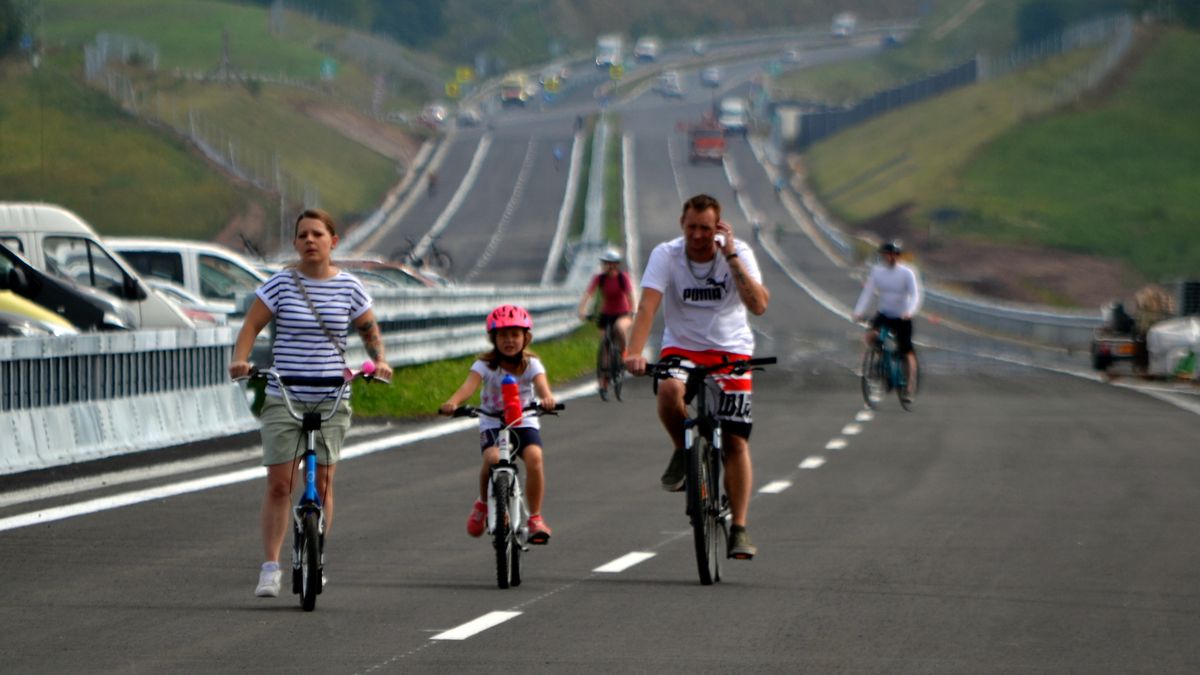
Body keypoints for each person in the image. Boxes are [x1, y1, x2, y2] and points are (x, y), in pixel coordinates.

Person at [229, 208, 394, 599]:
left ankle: (317, 555)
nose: (309, 240)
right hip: (285, 393)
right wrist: (241, 359)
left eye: (317, 234)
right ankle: (270, 567)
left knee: (322, 481)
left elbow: (368, 329)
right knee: (278, 484)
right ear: (296, 243)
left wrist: (381, 360)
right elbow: (252, 325)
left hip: (332, 394)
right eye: (302, 235)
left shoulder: (350, 287)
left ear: (333, 241)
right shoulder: (281, 285)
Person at [623, 194, 770, 559]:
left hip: (731, 351)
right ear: (681, 225)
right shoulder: (666, 255)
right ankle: (681, 450)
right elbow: (647, 306)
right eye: (692, 227)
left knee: (735, 442)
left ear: (718, 228)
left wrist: (731, 256)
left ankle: (738, 528)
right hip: (682, 348)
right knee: (669, 390)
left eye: (706, 228)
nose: (699, 235)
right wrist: (633, 352)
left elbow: (759, 305)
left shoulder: (738, 253)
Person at [439, 305, 557, 544]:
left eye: (515, 334)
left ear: (526, 337)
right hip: (493, 421)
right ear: (494, 339)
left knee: (534, 457)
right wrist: (452, 403)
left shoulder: (532, 364)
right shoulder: (484, 365)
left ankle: (534, 517)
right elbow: (467, 388)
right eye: (503, 335)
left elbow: (543, 387)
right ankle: (483, 503)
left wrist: (547, 399)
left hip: (523, 421)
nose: (509, 340)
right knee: (492, 458)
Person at [852, 240, 922, 402]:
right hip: (884, 313)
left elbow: (915, 295)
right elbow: (867, 293)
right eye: (885, 255)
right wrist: (858, 312)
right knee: (870, 336)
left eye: (892, 255)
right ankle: (880, 359)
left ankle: (909, 387)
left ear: (897, 256)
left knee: (906, 350)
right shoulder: (877, 272)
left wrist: (909, 312)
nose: (889, 258)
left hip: (902, 315)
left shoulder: (907, 272)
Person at [577, 247, 636, 400]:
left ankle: (623, 353)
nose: (609, 266)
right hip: (606, 314)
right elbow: (588, 294)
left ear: (617, 265)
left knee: (619, 328)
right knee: (605, 347)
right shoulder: (600, 278)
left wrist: (632, 310)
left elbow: (630, 296)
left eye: (612, 263)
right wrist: (582, 310)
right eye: (606, 263)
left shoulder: (623, 278)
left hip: (622, 313)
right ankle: (603, 384)